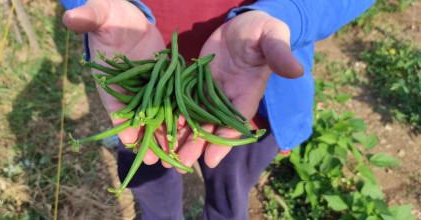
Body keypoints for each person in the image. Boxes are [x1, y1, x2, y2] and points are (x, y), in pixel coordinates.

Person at [60, 0, 376, 219]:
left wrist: (290, 13)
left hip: (248, 95)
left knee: (229, 199)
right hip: (143, 92)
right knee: (152, 189)